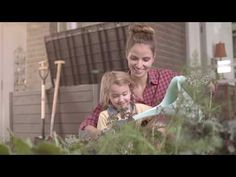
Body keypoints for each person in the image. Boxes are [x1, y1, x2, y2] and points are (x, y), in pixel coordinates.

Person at [79, 23, 178, 138]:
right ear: (126, 55)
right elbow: (86, 125)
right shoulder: (117, 86)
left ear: (153, 57)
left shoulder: (168, 79)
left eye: (146, 59)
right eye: (134, 58)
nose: (139, 65)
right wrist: (102, 136)